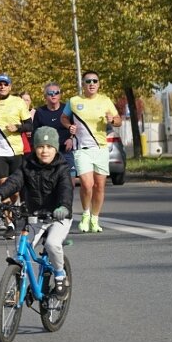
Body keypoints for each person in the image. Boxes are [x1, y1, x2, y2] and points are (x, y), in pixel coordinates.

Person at [0, 126, 73, 286]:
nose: (44, 151)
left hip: (58, 216)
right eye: (40, 146)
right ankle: (19, 284)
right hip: (34, 216)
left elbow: (66, 190)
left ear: (55, 148)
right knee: (21, 248)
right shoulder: (27, 165)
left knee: (52, 244)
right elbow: (14, 182)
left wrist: (63, 207)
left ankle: (60, 275)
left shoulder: (62, 168)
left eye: (49, 147)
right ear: (34, 148)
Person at [60, 70, 121, 233]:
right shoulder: (74, 101)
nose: (92, 84)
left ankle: (95, 218)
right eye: (88, 81)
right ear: (83, 84)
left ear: (99, 84)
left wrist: (113, 120)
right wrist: (69, 126)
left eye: (94, 81)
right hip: (82, 149)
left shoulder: (105, 100)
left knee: (100, 186)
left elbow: (118, 120)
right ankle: (86, 214)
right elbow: (63, 118)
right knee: (87, 184)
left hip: (100, 148)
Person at [0, 73, 32, 239]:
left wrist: (18, 127)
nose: (2, 87)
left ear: (10, 87)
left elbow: (29, 124)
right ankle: (9, 224)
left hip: (16, 150)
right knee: (3, 185)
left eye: (5, 84)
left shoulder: (18, 102)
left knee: (14, 189)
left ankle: (14, 210)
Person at [33, 83, 76, 182]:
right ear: (45, 96)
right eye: (50, 93)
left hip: (66, 151)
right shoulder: (40, 112)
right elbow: (36, 133)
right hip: (48, 152)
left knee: (70, 183)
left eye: (56, 92)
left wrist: (71, 139)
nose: (53, 95)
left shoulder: (67, 110)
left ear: (60, 95)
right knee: (50, 183)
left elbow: (76, 128)